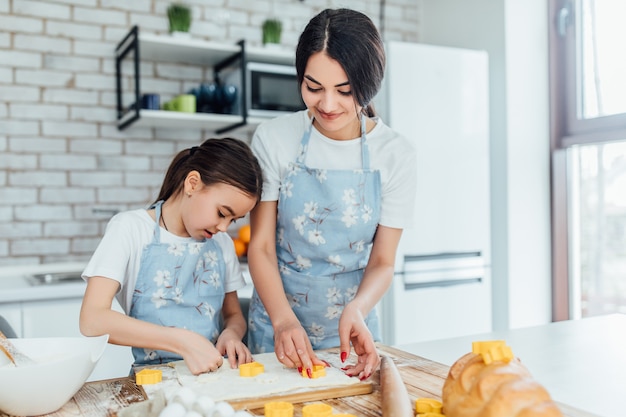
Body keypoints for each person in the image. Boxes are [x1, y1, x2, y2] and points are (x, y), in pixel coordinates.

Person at [246, 8, 417, 381]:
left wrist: (358, 308)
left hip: (353, 334)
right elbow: (260, 247)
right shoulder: (274, 139)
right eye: (313, 87)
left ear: (369, 84)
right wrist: (282, 321)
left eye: (344, 91)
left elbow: (383, 261)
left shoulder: (396, 154)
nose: (326, 104)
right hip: (277, 329)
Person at [79, 137, 263, 375]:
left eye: (233, 220)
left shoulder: (222, 244)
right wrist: (181, 341)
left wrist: (232, 333)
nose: (224, 227)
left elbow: (233, 315)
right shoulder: (130, 229)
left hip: (215, 376)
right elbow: (92, 320)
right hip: (153, 380)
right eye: (221, 213)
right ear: (193, 184)